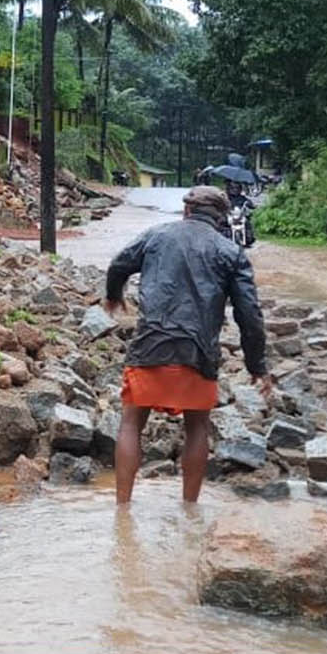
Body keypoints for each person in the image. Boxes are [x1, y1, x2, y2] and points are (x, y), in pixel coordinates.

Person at [103, 185, 272, 505]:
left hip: (150, 346)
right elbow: (249, 315)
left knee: (131, 424)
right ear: (221, 220)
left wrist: (114, 296)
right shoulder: (231, 252)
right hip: (199, 355)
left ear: (187, 211)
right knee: (197, 428)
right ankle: (190, 508)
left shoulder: (156, 235)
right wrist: (257, 366)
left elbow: (119, 265)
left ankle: (122, 508)